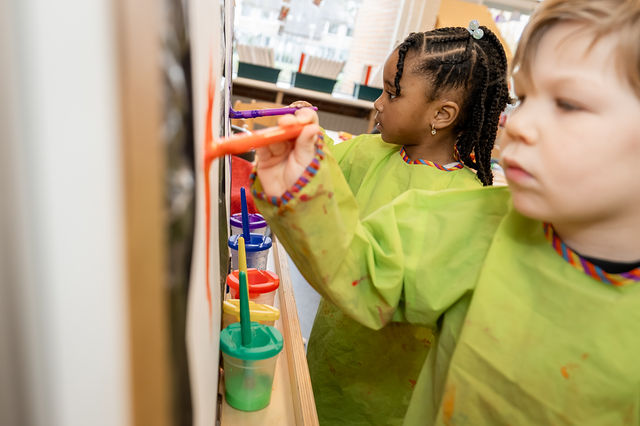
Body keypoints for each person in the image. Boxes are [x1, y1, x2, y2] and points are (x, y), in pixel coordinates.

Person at [251, 0, 640, 423]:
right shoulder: (476, 223)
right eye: (526, 98)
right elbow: (364, 270)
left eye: (568, 104)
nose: (519, 126)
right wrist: (299, 181)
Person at [289, 24, 509, 425]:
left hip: (390, 397)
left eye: (392, 93)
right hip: (327, 360)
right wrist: (302, 134)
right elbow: (320, 170)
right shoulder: (369, 154)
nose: (378, 103)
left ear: (441, 114)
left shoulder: (466, 202)